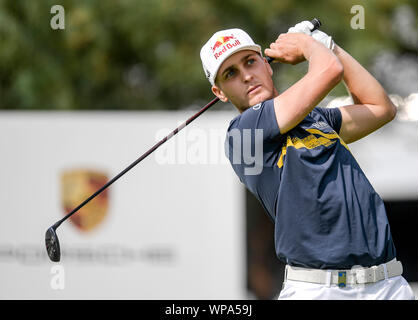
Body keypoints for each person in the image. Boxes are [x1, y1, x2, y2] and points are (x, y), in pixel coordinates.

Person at [199, 21, 415, 300]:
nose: (246, 76)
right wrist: (308, 45)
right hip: (319, 290)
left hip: (387, 284)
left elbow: (380, 108)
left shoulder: (317, 119)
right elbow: (329, 71)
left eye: (250, 62)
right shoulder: (243, 132)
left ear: (267, 64)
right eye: (230, 73)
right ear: (220, 93)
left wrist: (330, 46)